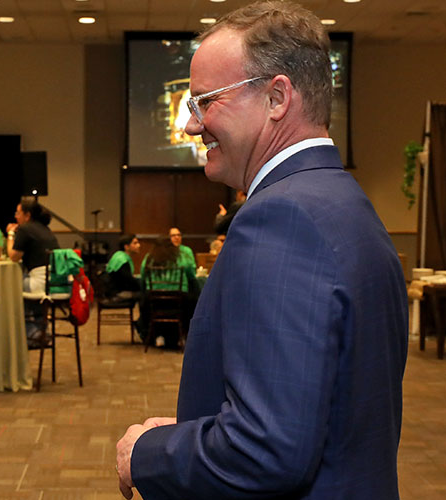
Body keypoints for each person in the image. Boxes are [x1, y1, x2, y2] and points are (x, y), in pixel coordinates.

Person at [116, 2, 408, 499]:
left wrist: (146, 453)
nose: (192, 126)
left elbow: (265, 450)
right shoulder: (346, 203)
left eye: (206, 101)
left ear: (277, 97)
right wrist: (195, 431)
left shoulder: (281, 218)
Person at [6, 199, 59, 293]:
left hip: (39, 283)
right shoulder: (45, 228)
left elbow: (13, 257)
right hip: (56, 281)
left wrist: (10, 234)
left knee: (7, 285)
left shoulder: (25, 228)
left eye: (18, 213)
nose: (16, 216)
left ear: (27, 216)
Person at [104, 234, 141, 298]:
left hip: (112, 290)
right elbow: (129, 282)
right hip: (118, 293)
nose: (139, 245)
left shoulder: (118, 255)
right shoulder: (123, 261)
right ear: (126, 247)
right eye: (135, 243)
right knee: (145, 294)